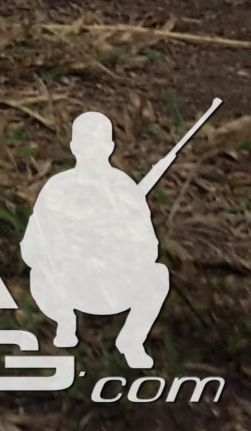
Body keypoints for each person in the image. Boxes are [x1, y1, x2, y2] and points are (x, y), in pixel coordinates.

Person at [22, 109, 174, 370]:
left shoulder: (125, 190)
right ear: (74, 147)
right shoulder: (57, 187)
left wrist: (116, 244)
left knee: (158, 275)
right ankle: (64, 321)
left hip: (113, 286)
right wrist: (67, 247)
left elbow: (149, 250)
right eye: (86, 142)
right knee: (40, 272)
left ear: (110, 147)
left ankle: (131, 341)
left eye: (96, 142)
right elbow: (31, 247)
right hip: (67, 286)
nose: (92, 149)